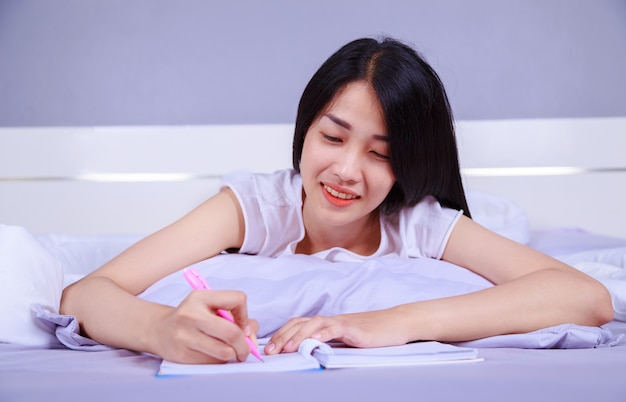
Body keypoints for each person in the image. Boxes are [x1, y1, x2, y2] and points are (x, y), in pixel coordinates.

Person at [60, 37, 613, 364]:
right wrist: (161, 331)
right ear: (304, 131)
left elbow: (585, 298)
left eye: (380, 153)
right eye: (332, 137)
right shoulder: (253, 206)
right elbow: (84, 295)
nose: (346, 171)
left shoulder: (418, 224)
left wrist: (392, 321)